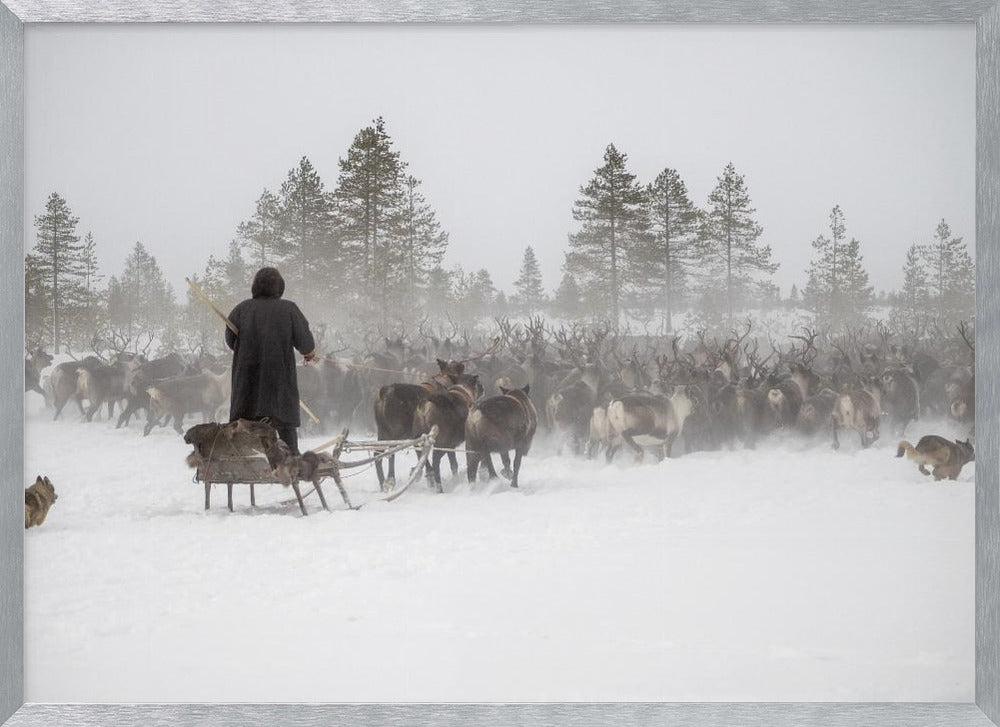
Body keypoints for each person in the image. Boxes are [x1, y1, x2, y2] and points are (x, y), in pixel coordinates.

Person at [225, 267, 316, 454]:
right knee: (287, 441)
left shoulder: (241, 310)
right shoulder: (289, 309)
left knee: (244, 439)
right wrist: (309, 353)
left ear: (255, 286)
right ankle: (291, 460)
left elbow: (231, 341)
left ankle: (246, 460)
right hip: (279, 387)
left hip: (247, 388)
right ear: (280, 287)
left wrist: (249, 350)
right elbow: (306, 344)